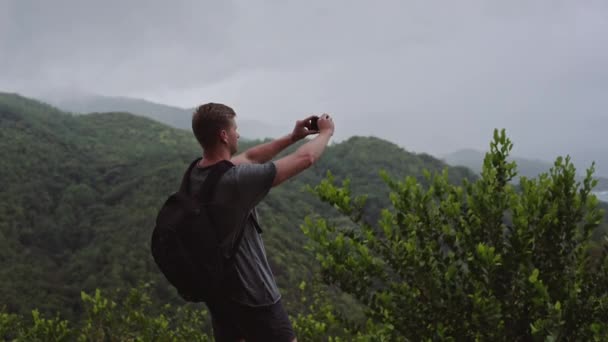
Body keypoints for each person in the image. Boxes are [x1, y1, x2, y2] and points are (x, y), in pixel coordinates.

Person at [189, 102, 334, 342]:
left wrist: (294, 136)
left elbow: (250, 157)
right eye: (235, 129)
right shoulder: (234, 181)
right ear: (224, 135)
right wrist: (327, 132)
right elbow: (305, 158)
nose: (238, 133)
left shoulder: (198, 172)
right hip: (254, 295)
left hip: (220, 295)